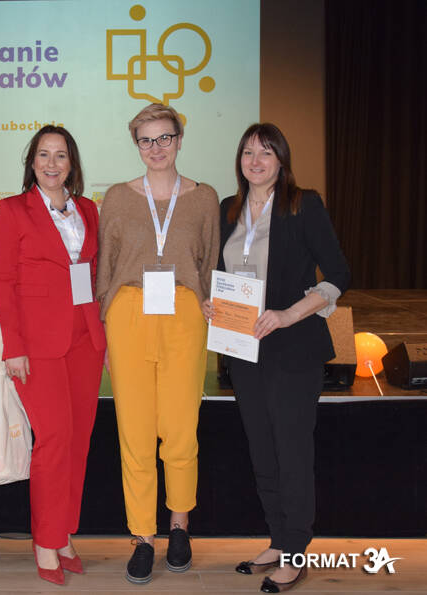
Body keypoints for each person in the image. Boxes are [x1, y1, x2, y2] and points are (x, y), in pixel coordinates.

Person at [202, 123, 349, 593]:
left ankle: (295, 552)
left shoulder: (303, 204)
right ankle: (278, 538)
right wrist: (212, 302)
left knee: (291, 451)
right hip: (244, 349)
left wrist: (288, 315)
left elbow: (339, 274)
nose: (256, 161)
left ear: (281, 160)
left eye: (266, 152)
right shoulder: (229, 208)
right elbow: (224, 272)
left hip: (293, 348)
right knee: (262, 450)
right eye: (248, 152)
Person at [96, 103, 219, 584]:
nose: (156, 148)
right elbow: (105, 265)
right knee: (135, 432)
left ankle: (180, 525)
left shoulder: (204, 197)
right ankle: (143, 536)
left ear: (179, 140)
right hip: (129, 313)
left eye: (164, 137)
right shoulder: (117, 197)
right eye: (146, 140)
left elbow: (209, 262)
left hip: (185, 314)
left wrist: (212, 302)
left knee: (181, 428)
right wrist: (104, 326)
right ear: (137, 145)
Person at [0, 125, 106, 585]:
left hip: (84, 341)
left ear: (71, 163)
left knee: (78, 442)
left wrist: (101, 336)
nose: (52, 163)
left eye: (60, 155)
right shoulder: (12, 209)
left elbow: (91, 275)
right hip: (37, 346)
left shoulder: (88, 210)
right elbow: (4, 283)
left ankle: (62, 534)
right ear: (32, 161)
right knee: (54, 440)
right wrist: (13, 347)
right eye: (43, 154)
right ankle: (44, 539)